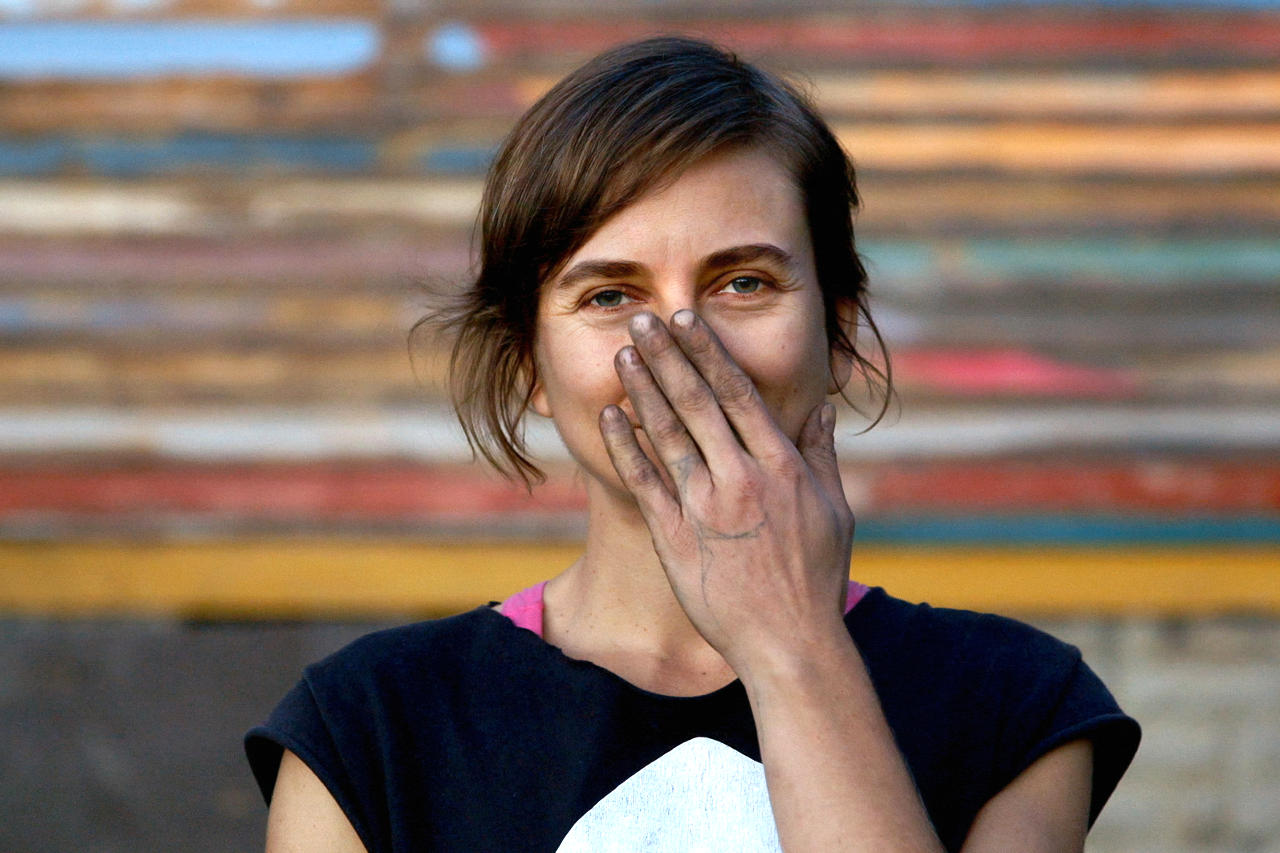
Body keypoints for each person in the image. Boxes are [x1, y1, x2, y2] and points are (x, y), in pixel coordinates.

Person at [246, 36, 1139, 852]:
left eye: (743, 282)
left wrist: (790, 639)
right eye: (609, 296)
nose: (681, 343)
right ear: (529, 365)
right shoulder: (365, 734)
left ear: (838, 332)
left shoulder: (1015, 704)